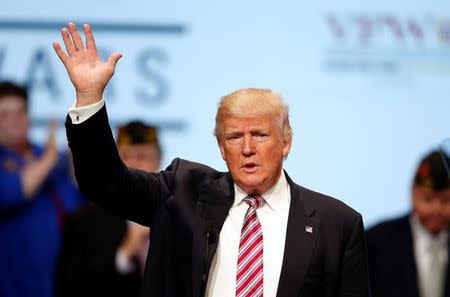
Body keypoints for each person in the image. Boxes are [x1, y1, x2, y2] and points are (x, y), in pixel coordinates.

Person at [53, 22, 370, 297]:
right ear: (221, 148)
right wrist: (90, 98)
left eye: (259, 135)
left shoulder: (336, 224)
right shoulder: (182, 193)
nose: (247, 148)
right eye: (234, 137)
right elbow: (104, 183)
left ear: (286, 141)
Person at [55, 121, 161, 297]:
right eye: (126, 156)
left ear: (158, 160)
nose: (134, 164)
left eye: (143, 156)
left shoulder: (178, 213)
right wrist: (124, 254)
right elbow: (69, 286)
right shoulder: (84, 221)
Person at [0, 81, 84, 297]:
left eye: (20, 112)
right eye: (5, 114)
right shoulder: (49, 157)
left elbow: (77, 205)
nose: (15, 121)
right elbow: (11, 193)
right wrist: (49, 160)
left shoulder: (51, 158)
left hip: (62, 280)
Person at [366, 150, 450, 297]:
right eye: (428, 199)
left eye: (445, 200)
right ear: (412, 194)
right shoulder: (376, 241)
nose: (436, 209)